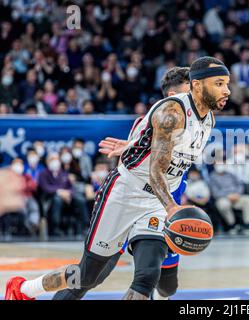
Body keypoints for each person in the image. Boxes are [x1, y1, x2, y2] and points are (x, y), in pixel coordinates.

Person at [5, 56, 230, 300]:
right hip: (126, 192)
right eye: (219, 83)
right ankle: (24, 289)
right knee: (88, 275)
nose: (227, 90)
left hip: (156, 202)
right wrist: (173, 208)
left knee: (147, 277)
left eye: (227, 84)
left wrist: (134, 144)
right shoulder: (172, 113)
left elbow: (168, 152)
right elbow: (155, 171)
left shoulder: (208, 118)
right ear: (197, 85)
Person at [53, 66, 191, 301]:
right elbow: (142, 157)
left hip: (164, 209)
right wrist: (132, 145)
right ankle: (28, 289)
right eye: (191, 91)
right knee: (91, 277)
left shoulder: (200, 122)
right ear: (173, 98)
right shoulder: (157, 120)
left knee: (167, 286)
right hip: (130, 200)